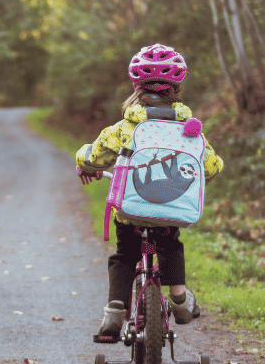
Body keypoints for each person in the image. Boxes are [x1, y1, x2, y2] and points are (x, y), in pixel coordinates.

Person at [74, 44, 224, 343]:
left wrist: (82, 161)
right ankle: (179, 299)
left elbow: (94, 156)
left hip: (130, 213)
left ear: (136, 85)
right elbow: (212, 166)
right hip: (169, 212)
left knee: (125, 255)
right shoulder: (188, 130)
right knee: (169, 245)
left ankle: (114, 313)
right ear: (177, 86)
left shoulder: (125, 127)